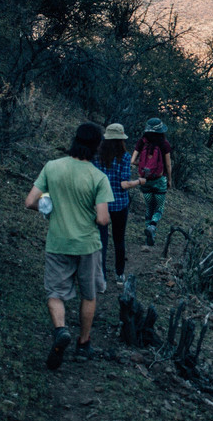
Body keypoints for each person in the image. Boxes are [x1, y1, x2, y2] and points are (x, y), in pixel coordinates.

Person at [25, 123, 113, 369]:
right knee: (89, 294)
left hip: (58, 242)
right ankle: (83, 344)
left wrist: (49, 207)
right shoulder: (98, 177)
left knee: (55, 293)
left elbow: (30, 201)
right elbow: (103, 219)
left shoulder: (52, 167)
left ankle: (61, 330)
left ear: (74, 140)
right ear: (96, 146)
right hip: (87, 245)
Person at [93, 123, 145, 286]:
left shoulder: (98, 156)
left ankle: (101, 276)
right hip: (119, 205)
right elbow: (124, 184)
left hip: (101, 204)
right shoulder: (124, 157)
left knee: (101, 240)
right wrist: (138, 181)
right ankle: (119, 274)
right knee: (119, 239)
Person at [131, 117, 173, 246]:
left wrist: (143, 165)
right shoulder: (164, 144)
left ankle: (149, 238)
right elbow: (168, 165)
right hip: (159, 180)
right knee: (159, 208)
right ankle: (153, 226)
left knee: (149, 207)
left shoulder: (141, 142)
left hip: (145, 180)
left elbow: (132, 161)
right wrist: (169, 180)